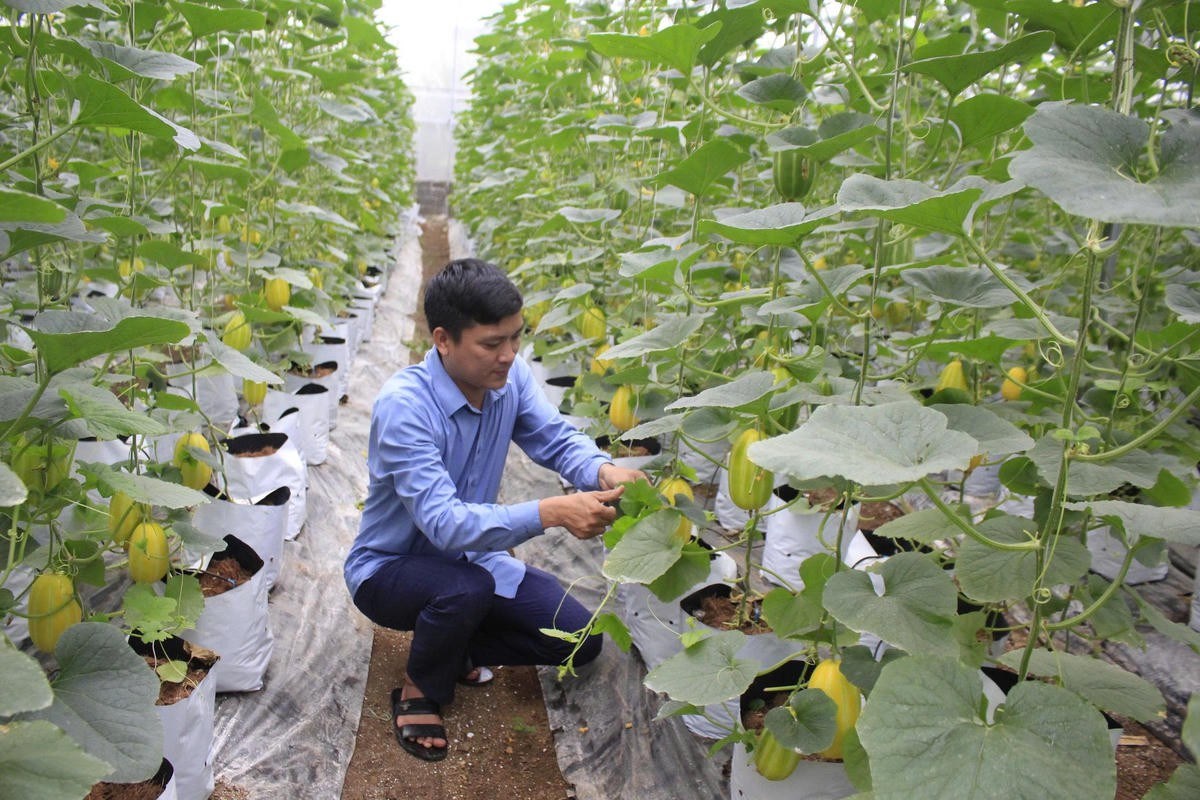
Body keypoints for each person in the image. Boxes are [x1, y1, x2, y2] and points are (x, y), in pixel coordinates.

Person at [344, 258, 646, 763]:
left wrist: (603, 471)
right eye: (491, 344)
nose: (508, 356)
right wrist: (550, 511)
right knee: (464, 588)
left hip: (474, 562)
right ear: (444, 340)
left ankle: (453, 646)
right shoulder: (405, 407)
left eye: (515, 338)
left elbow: (554, 439)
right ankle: (422, 688)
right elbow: (444, 525)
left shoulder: (510, 379)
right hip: (389, 570)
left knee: (578, 639)